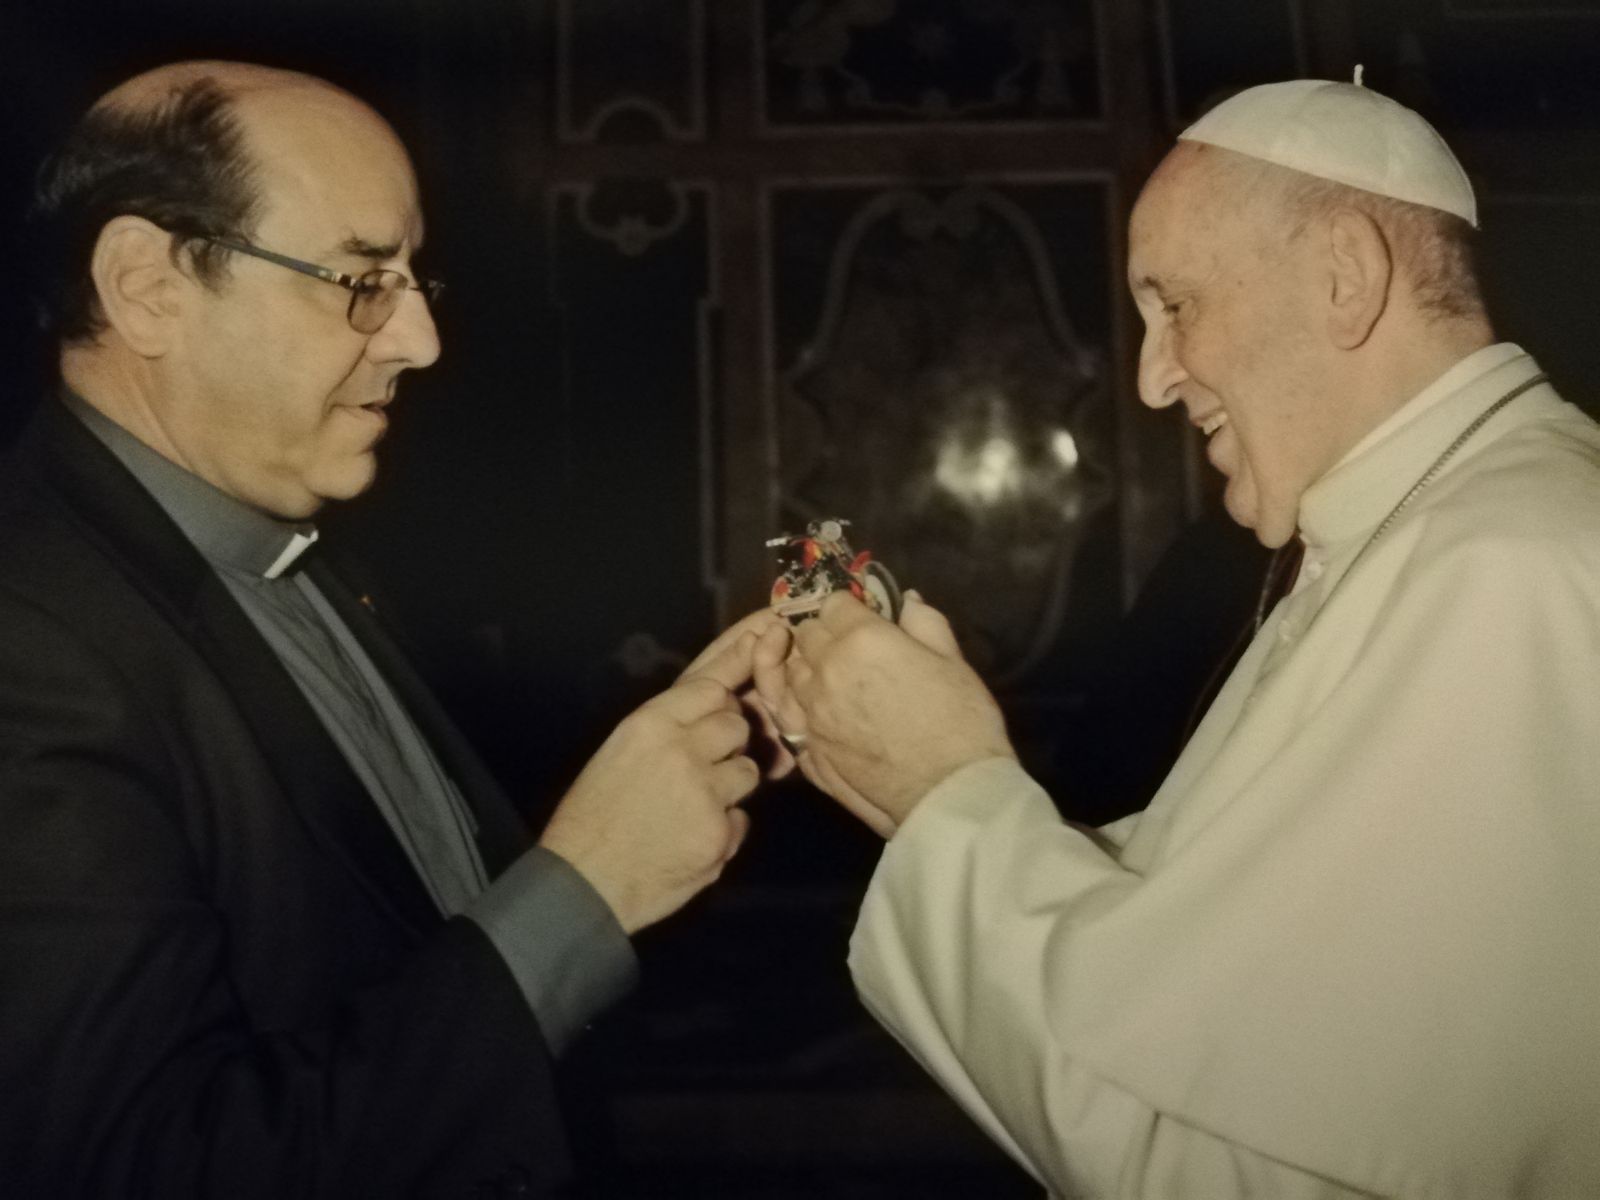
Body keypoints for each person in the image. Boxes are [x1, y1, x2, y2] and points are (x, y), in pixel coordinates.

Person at [757, 78, 1600, 1196]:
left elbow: (1214, 1157)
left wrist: (950, 789)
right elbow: (1192, 951)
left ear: (1343, 278)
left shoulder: (1502, 568)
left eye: (1174, 304)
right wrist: (910, 779)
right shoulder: (1434, 528)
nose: (1153, 379)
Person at [0, 61, 774, 1197]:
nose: (420, 339)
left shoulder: (288, 545)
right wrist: (588, 886)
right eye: (360, 280)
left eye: (416, 280)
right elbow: (142, 1165)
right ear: (147, 286)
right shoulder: (28, 638)